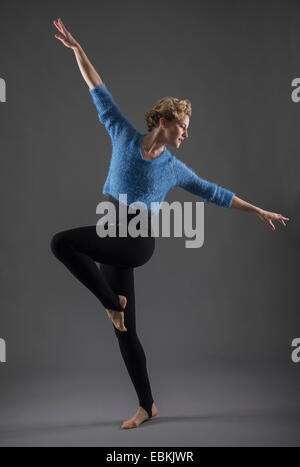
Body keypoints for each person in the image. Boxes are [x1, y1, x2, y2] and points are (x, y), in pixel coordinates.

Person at [50, 18, 290, 429]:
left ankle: (111, 303)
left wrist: (261, 211)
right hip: (111, 229)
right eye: (183, 126)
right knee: (126, 333)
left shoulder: (174, 169)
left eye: (188, 129)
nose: (186, 134)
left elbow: (216, 192)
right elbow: (97, 88)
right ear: (163, 120)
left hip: (137, 240)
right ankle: (147, 405)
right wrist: (77, 50)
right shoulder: (123, 135)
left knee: (62, 243)